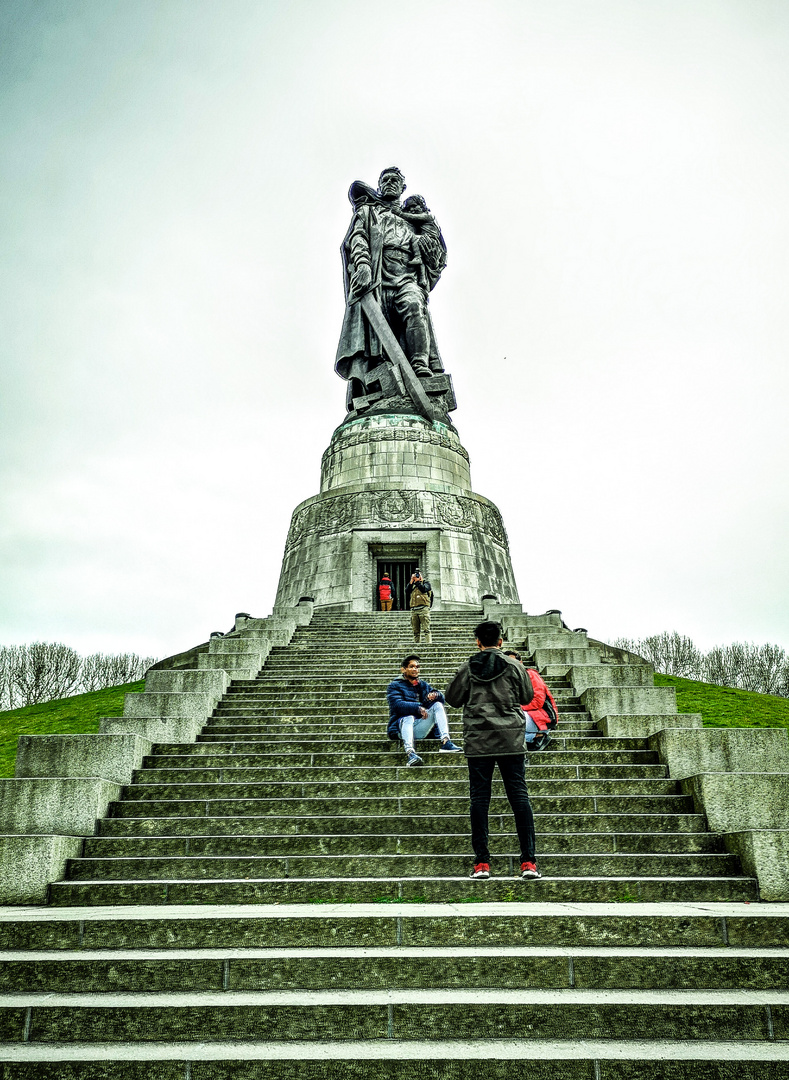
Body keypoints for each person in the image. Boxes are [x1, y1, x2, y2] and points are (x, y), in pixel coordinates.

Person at [445, 621, 541, 880]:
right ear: (500, 641)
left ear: (478, 642)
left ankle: (482, 864)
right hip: (511, 740)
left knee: (479, 800)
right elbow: (526, 697)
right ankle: (529, 862)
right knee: (520, 798)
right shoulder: (515, 666)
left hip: (479, 742)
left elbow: (452, 699)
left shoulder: (468, 667)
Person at [335, 167, 447, 388]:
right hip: (377, 279)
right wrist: (363, 265)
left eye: (395, 180)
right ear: (379, 186)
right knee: (378, 342)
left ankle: (419, 366)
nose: (389, 183)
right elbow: (357, 239)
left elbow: (437, 259)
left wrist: (431, 251)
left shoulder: (415, 221)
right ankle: (383, 386)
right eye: (385, 179)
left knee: (414, 305)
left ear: (402, 187)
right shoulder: (368, 212)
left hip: (407, 277)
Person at [386, 654, 461, 767]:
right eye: (412, 666)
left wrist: (436, 695)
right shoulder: (394, 685)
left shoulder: (422, 685)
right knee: (408, 717)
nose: (415, 669)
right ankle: (410, 754)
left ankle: (446, 742)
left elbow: (441, 697)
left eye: (417, 667)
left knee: (437, 705)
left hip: (420, 727)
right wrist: (417, 708)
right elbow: (396, 705)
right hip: (401, 728)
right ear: (403, 669)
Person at [504, 650, 559, 752]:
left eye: (512, 661)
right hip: (526, 716)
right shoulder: (509, 680)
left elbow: (538, 701)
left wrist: (516, 706)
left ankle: (535, 737)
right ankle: (535, 737)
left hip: (541, 717)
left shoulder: (530, 675)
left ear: (520, 662)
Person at [405, 569, 433, 645]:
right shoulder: (412, 585)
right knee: (415, 631)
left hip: (423, 609)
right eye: (415, 575)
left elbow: (424, 589)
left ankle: (428, 645)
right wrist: (411, 581)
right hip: (414, 610)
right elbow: (407, 591)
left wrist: (418, 582)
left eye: (418, 574)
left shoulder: (426, 583)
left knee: (426, 629)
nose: (416, 576)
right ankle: (417, 646)